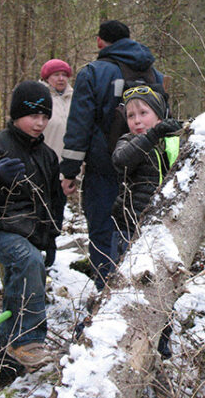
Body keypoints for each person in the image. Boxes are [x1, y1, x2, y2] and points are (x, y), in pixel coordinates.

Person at [0, 80, 65, 385]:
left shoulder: (47, 156)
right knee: (28, 262)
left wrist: (52, 238)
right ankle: (28, 340)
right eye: (33, 115)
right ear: (16, 113)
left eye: (45, 116)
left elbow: (52, 203)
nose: (40, 122)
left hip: (31, 237)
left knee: (17, 300)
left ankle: (3, 375)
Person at [61, 19, 166, 288]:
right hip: (146, 173)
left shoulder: (93, 73)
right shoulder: (155, 75)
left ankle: (106, 296)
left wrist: (69, 171)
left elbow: (79, 125)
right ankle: (142, 296)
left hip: (104, 171)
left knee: (103, 233)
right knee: (143, 233)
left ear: (100, 41)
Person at [110, 82, 181, 253]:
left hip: (163, 228)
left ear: (159, 116)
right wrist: (152, 135)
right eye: (130, 116)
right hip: (129, 229)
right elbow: (121, 161)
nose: (137, 121)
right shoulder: (127, 141)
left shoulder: (172, 142)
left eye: (143, 113)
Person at [41, 59, 74, 154]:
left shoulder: (76, 98)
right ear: (47, 78)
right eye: (56, 75)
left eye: (64, 75)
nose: (61, 78)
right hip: (46, 157)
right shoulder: (39, 98)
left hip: (72, 159)